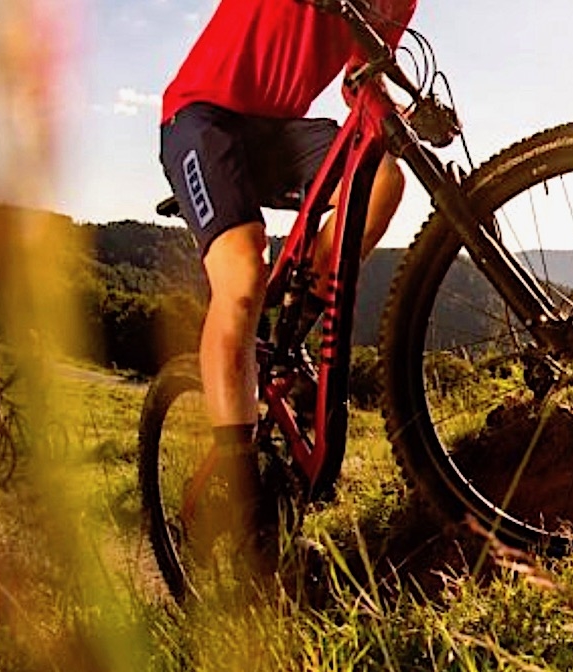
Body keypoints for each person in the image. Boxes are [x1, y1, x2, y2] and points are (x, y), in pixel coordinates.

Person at [158, 0, 417, 564]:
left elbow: (360, 79)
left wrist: (403, 118)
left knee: (384, 176)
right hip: (201, 117)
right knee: (244, 276)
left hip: (278, 133)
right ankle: (242, 496)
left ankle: (294, 326)